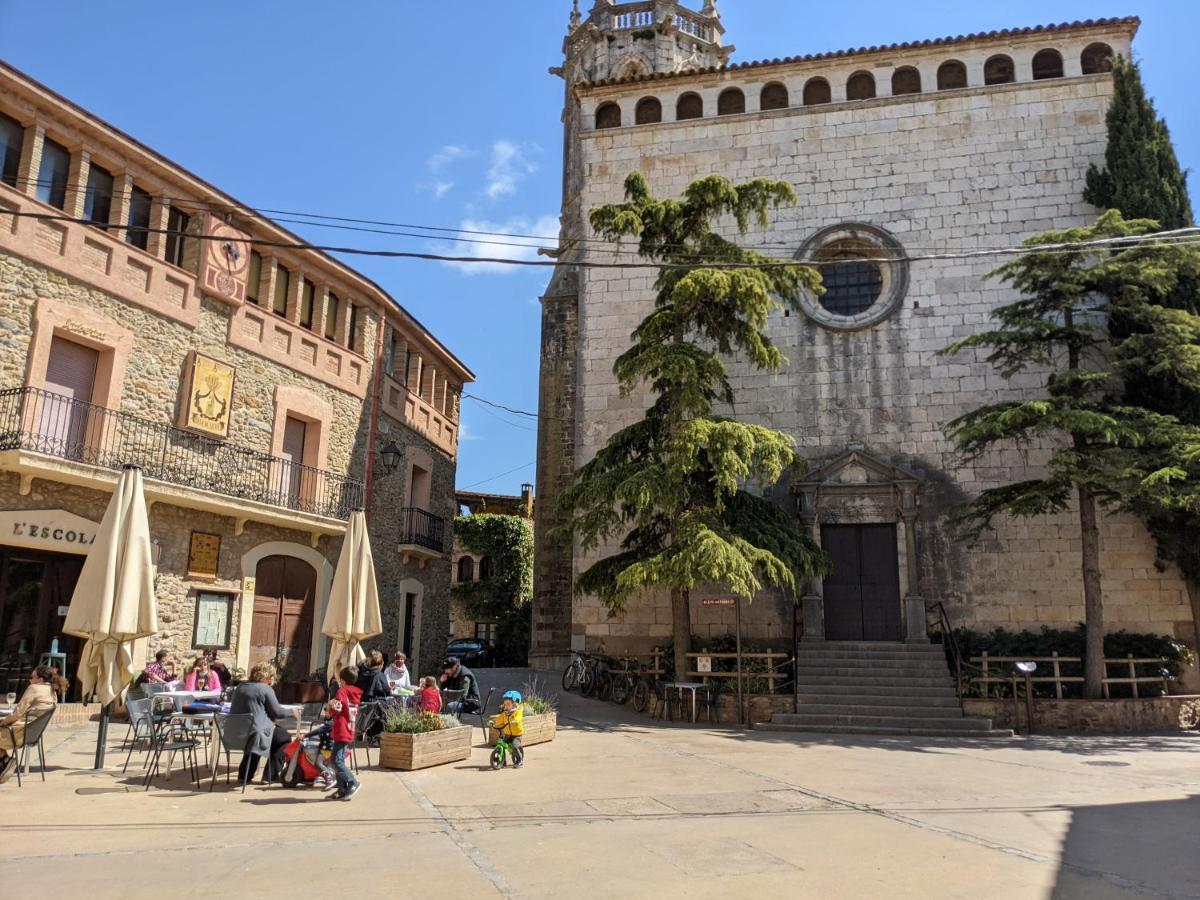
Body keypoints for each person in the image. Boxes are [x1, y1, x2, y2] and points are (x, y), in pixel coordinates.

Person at [226, 662, 297, 785]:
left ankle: (244, 775)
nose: (272, 680)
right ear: (267, 676)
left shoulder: (241, 687)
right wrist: (292, 712)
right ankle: (270, 775)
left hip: (235, 732)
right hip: (255, 732)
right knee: (284, 738)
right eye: (271, 677)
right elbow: (277, 712)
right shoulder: (265, 689)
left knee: (264, 736)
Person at [0, 665, 57, 783]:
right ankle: (4, 760)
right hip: (33, 733)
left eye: (32, 677)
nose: (30, 680)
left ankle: (5, 759)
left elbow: (18, 712)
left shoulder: (34, 688)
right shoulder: (52, 691)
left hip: (19, 733)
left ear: (40, 679)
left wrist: (3, 722)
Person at [325, 665, 363, 801]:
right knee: (337, 760)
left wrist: (330, 708)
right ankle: (342, 789)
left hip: (341, 728)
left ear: (342, 680)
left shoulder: (342, 691)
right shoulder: (355, 693)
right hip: (349, 728)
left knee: (336, 760)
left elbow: (338, 707)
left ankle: (352, 782)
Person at [489, 690, 525, 769]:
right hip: (508, 734)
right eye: (505, 704)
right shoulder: (504, 714)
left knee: (515, 746)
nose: (506, 706)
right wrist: (494, 723)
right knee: (501, 744)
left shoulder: (517, 712)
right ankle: (502, 762)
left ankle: (519, 761)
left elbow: (518, 718)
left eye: (508, 704)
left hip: (517, 734)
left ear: (515, 704)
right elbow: (499, 720)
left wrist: (515, 720)